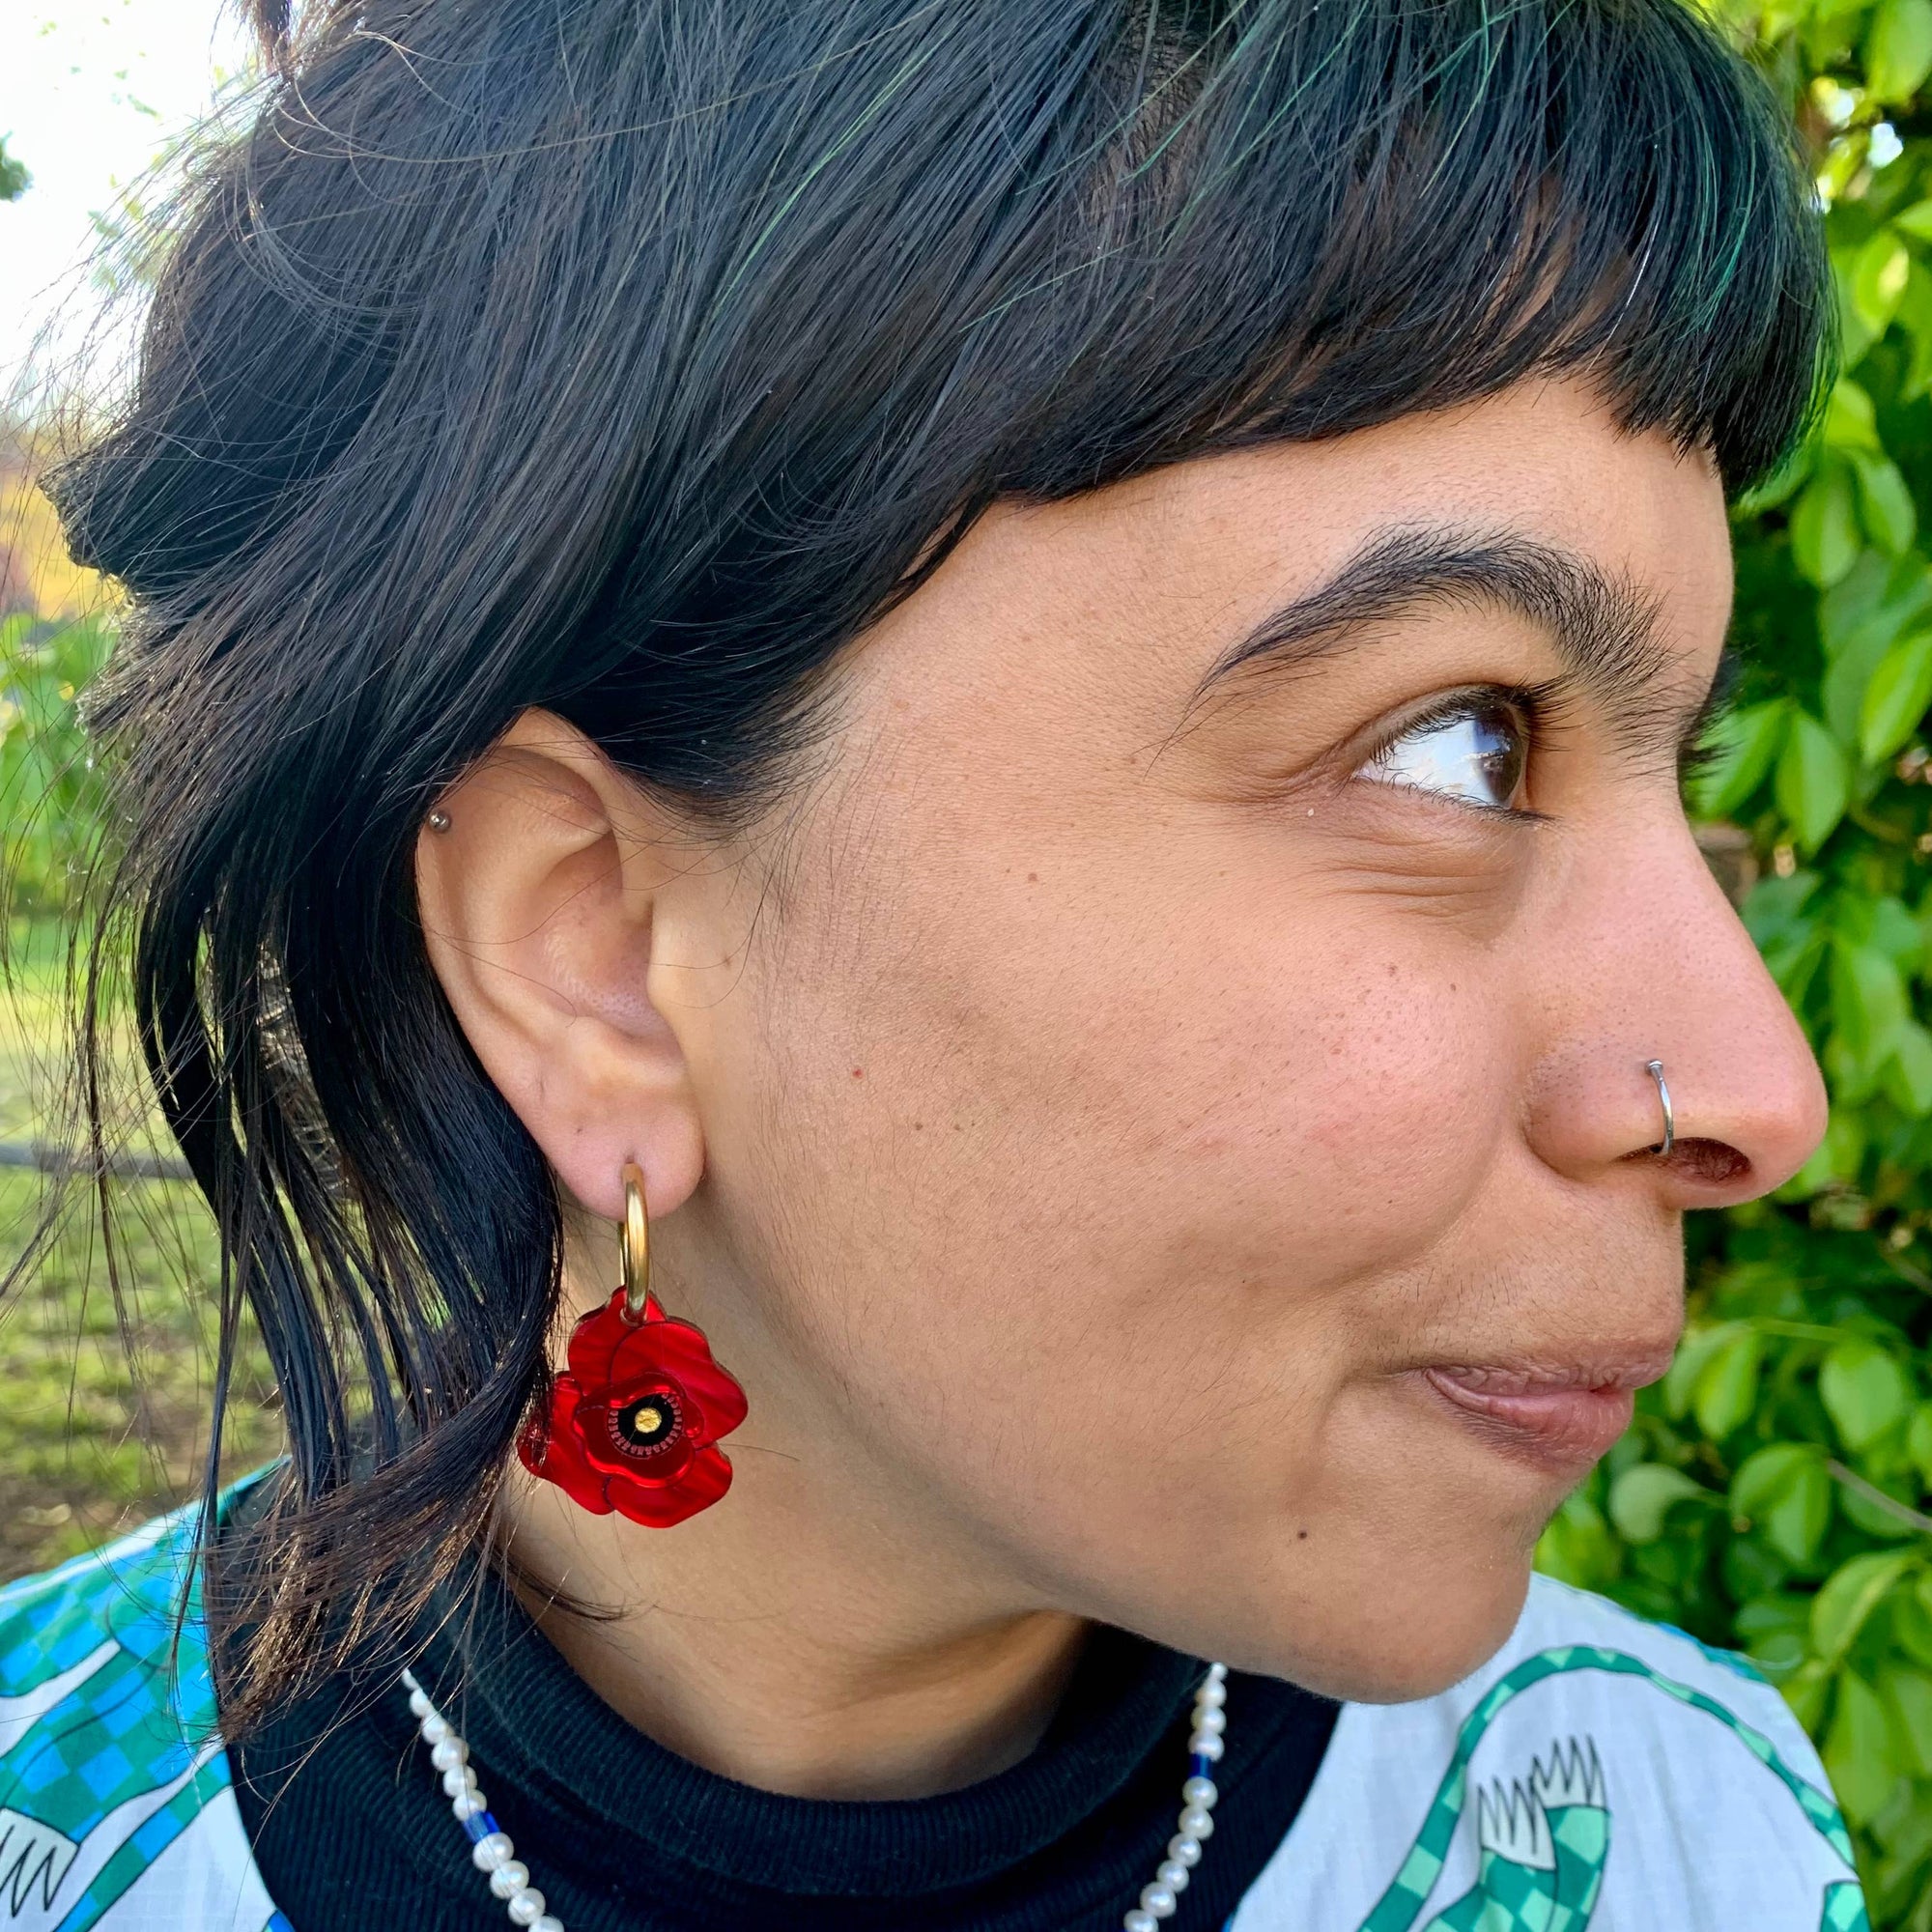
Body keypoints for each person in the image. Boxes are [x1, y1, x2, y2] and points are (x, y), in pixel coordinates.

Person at [0, 0, 1862, 1926]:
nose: (1754, 1085)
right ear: (597, 954)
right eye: (1453, 744)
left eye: (1679, 764)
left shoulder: (1674, 1832)